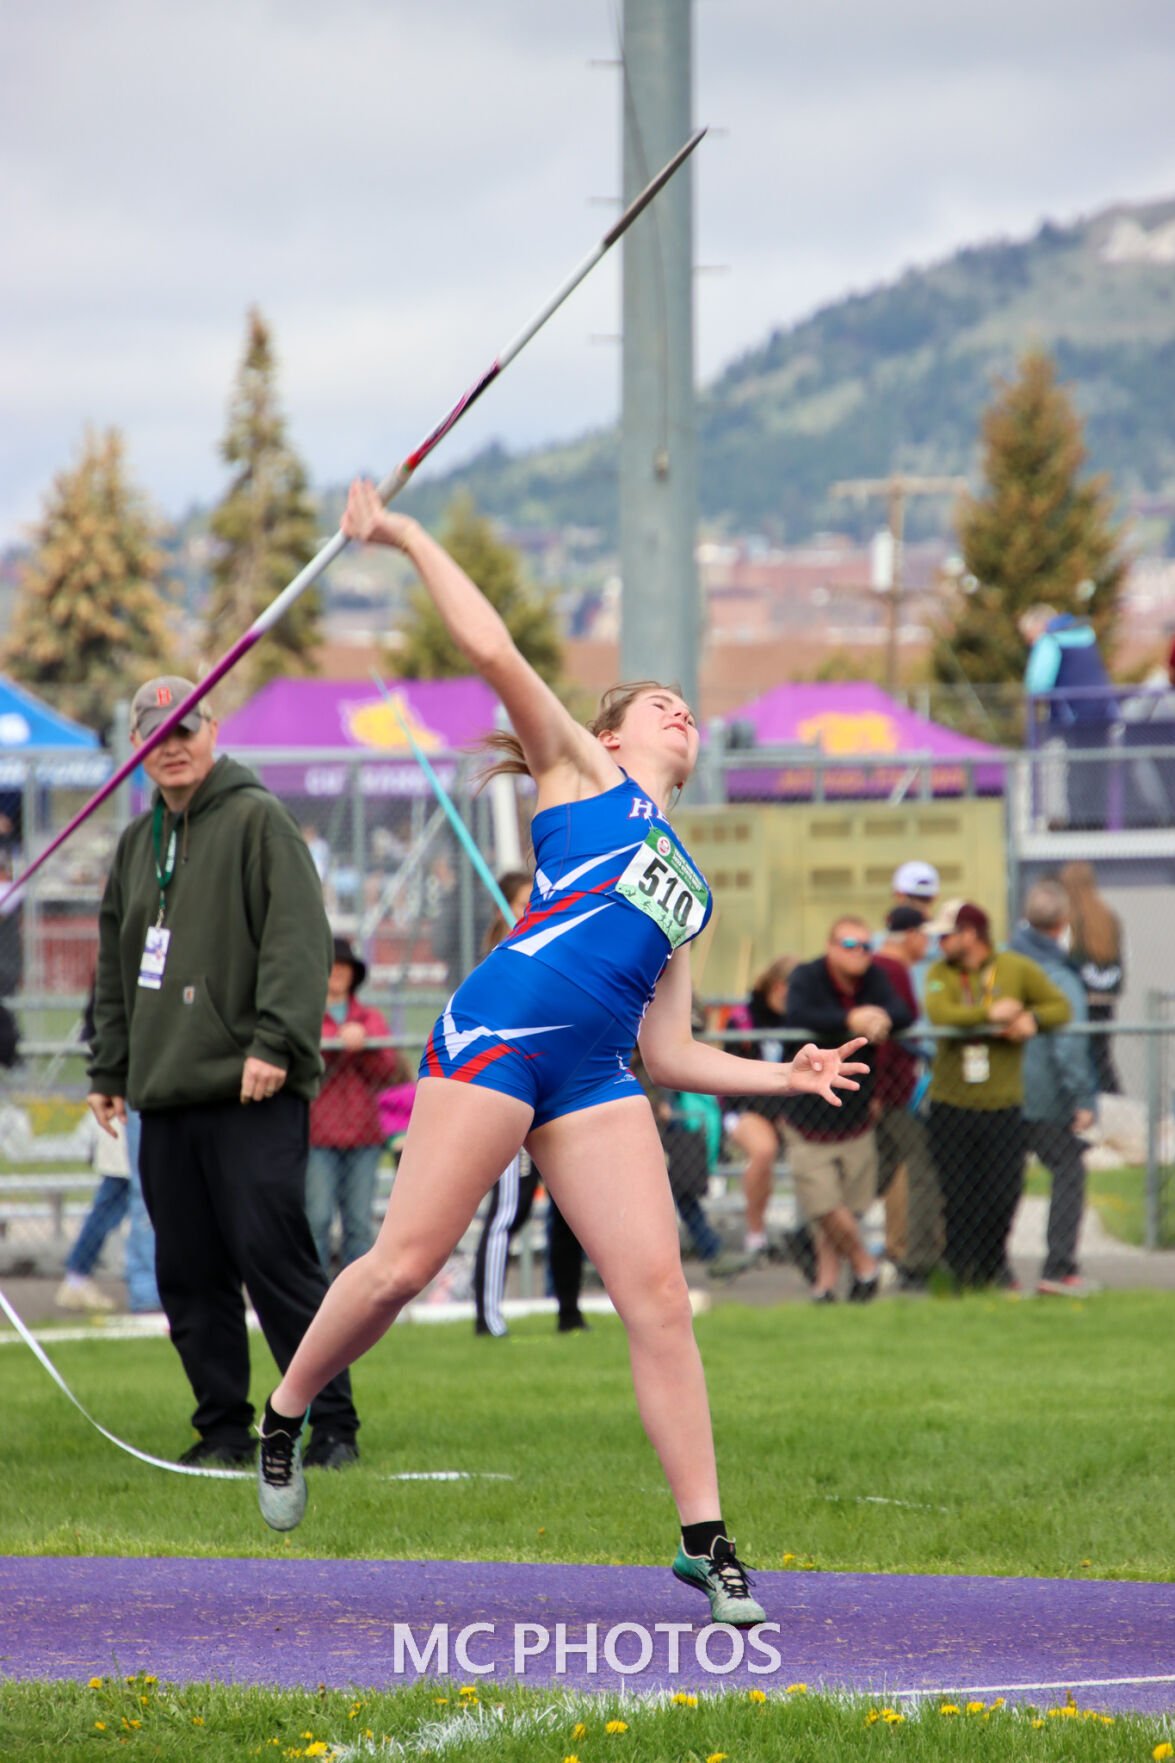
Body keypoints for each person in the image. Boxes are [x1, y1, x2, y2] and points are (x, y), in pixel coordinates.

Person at [255, 479, 869, 1626]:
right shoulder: (578, 776)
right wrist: (401, 533)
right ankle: (287, 1407)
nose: (682, 713)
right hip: (496, 1038)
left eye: (690, 707)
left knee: (660, 1295)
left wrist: (779, 1074)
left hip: (593, 1078)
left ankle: (705, 1537)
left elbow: (670, 1051)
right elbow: (487, 643)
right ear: (609, 732)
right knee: (401, 1265)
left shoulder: (688, 884)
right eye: (661, 704)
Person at [87, 676, 361, 1470]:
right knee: (187, 1270)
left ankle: (332, 1422)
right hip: (163, 1093)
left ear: (212, 730)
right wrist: (109, 1063)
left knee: (274, 1257)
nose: (170, 743)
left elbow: (298, 941)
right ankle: (222, 1428)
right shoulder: (137, 845)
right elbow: (115, 965)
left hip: (252, 1086)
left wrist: (274, 1042)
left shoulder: (258, 819)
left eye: (184, 727)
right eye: (155, 732)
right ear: (139, 746)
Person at [923, 901, 1070, 1291]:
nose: (939, 943)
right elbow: (942, 1013)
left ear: (970, 934)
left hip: (1002, 1106)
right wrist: (994, 1013)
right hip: (951, 1105)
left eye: (946, 935)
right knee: (957, 1197)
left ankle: (991, 1267)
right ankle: (960, 1276)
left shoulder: (1016, 969)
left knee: (1003, 1193)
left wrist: (1029, 1019)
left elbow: (1060, 1006)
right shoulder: (941, 973)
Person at [470, 871, 588, 1337]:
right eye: (523, 901)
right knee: (509, 1211)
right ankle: (488, 1317)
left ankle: (570, 1311)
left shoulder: (560, 951)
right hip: (510, 1098)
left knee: (572, 1210)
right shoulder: (495, 965)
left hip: (561, 1099)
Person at [779, 917, 914, 1302]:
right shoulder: (808, 976)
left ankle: (824, 1285)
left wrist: (881, 1017)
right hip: (807, 1116)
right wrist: (850, 1020)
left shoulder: (873, 979)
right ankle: (866, 1266)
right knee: (824, 1205)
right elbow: (799, 1016)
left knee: (846, 1210)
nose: (860, 954)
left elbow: (902, 1012)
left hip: (856, 1116)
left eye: (866, 946)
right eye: (851, 944)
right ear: (831, 945)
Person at [1009, 880, 1100, 1297]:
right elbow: (1068, 1046)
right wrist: (1081, 1098)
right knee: (1068, 1170)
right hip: (1045, 1097)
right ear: (1064, 923)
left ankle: (986, 1267)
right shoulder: (1061, 978)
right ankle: (1058, 1267)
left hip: (1000, 1094)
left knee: (997, 1180)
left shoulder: (1002, 966)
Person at [57, 980, 160, 1316]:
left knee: (119, 1194)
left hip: (142, 1097)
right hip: (124, 1100)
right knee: (122, 1194)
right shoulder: (121, 968)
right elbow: (100, 1021)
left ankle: (77, 1272)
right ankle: (90, 1276)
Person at [307, 936, 406, 1276]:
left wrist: (362, 1046)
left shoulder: (370, 1017)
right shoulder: (307, 1014)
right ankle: (314, 1301)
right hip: (318, 1134)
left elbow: (388, 1068)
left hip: (364, 1134)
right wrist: (338, 1043)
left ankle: (359, 1303)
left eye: (344, 967)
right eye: (331, 966)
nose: (337, 973)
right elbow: (302, 1061)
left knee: (359, 1225)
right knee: (317, 1219)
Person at [871, 906, 943, 1290]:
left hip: (891, 1092)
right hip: (891, 1094)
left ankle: (812, 1235)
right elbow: (883, 1034)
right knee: (922, 1168)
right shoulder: (892, 970)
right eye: (926, 936)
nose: (929, 945)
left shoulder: (884, 967)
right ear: (911, 935)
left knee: (878, 1170)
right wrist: (879, 1091)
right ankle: (916, 1262)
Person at [725, 956, 797, 1257]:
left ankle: (806, 1233)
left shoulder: (797, 1019)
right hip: (744, 1105)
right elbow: (732, 1073)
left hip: (786, 1108)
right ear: (780, 987)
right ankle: (755, 1235)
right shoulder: (744, 1018)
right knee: (763, 1149)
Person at [1020, 604, 1115, 829]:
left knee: (1066, 772)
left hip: (1070, 719)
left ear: (1039, 627)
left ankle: (1071, 824)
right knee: (1095, 770)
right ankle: (1096, 822)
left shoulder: (1050, 641)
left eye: (1028, 636)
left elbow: (1037, 685)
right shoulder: (1086, 636)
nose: (1029, 643)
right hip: (1101, 715)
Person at [1059, 861, 1124, 1096]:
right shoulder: (1108, 917)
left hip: (1080, 997)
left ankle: (1088, 1106)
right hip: (1105, 998)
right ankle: (1114, 1103)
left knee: (1080, 1057)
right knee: (1102, 1056)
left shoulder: (1071, 920)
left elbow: (1065, 955)